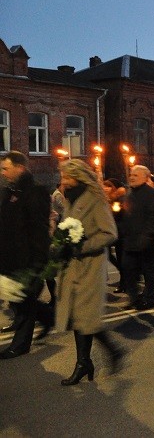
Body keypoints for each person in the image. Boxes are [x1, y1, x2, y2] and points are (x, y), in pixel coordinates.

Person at [55, 159, 125, 384]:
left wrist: (82, 245)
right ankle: (86, 361)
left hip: (89, 265)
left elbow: (109, 233)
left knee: (85, 316)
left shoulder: (95, 199)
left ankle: (100, 356)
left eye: (67, 177)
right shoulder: (69, 199)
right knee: (78, 316)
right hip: (72, 266)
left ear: (78, 177)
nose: (63, 181)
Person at [0, 151, 54, 359]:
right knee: (14, 299)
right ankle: (49, 317)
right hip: (8, 257)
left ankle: (21, 344)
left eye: (6, 168)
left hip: (27, 258)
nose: (3, 173)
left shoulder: (36, 192)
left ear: (20, 167)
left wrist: (38, 261)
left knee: (24, 302)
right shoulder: (8, 191)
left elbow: (39, 230)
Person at [120, 165, 154, 310]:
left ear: (146, 178)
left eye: (136, 175)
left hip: (147, 241)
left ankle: (149, 298)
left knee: (148, 270)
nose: (132, 177)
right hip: (130, 240)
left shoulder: (153, 196)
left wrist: (147, 236)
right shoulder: (129, 194)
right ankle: (134, 297)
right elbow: (125, 214)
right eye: (131, 175)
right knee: (127, 269)